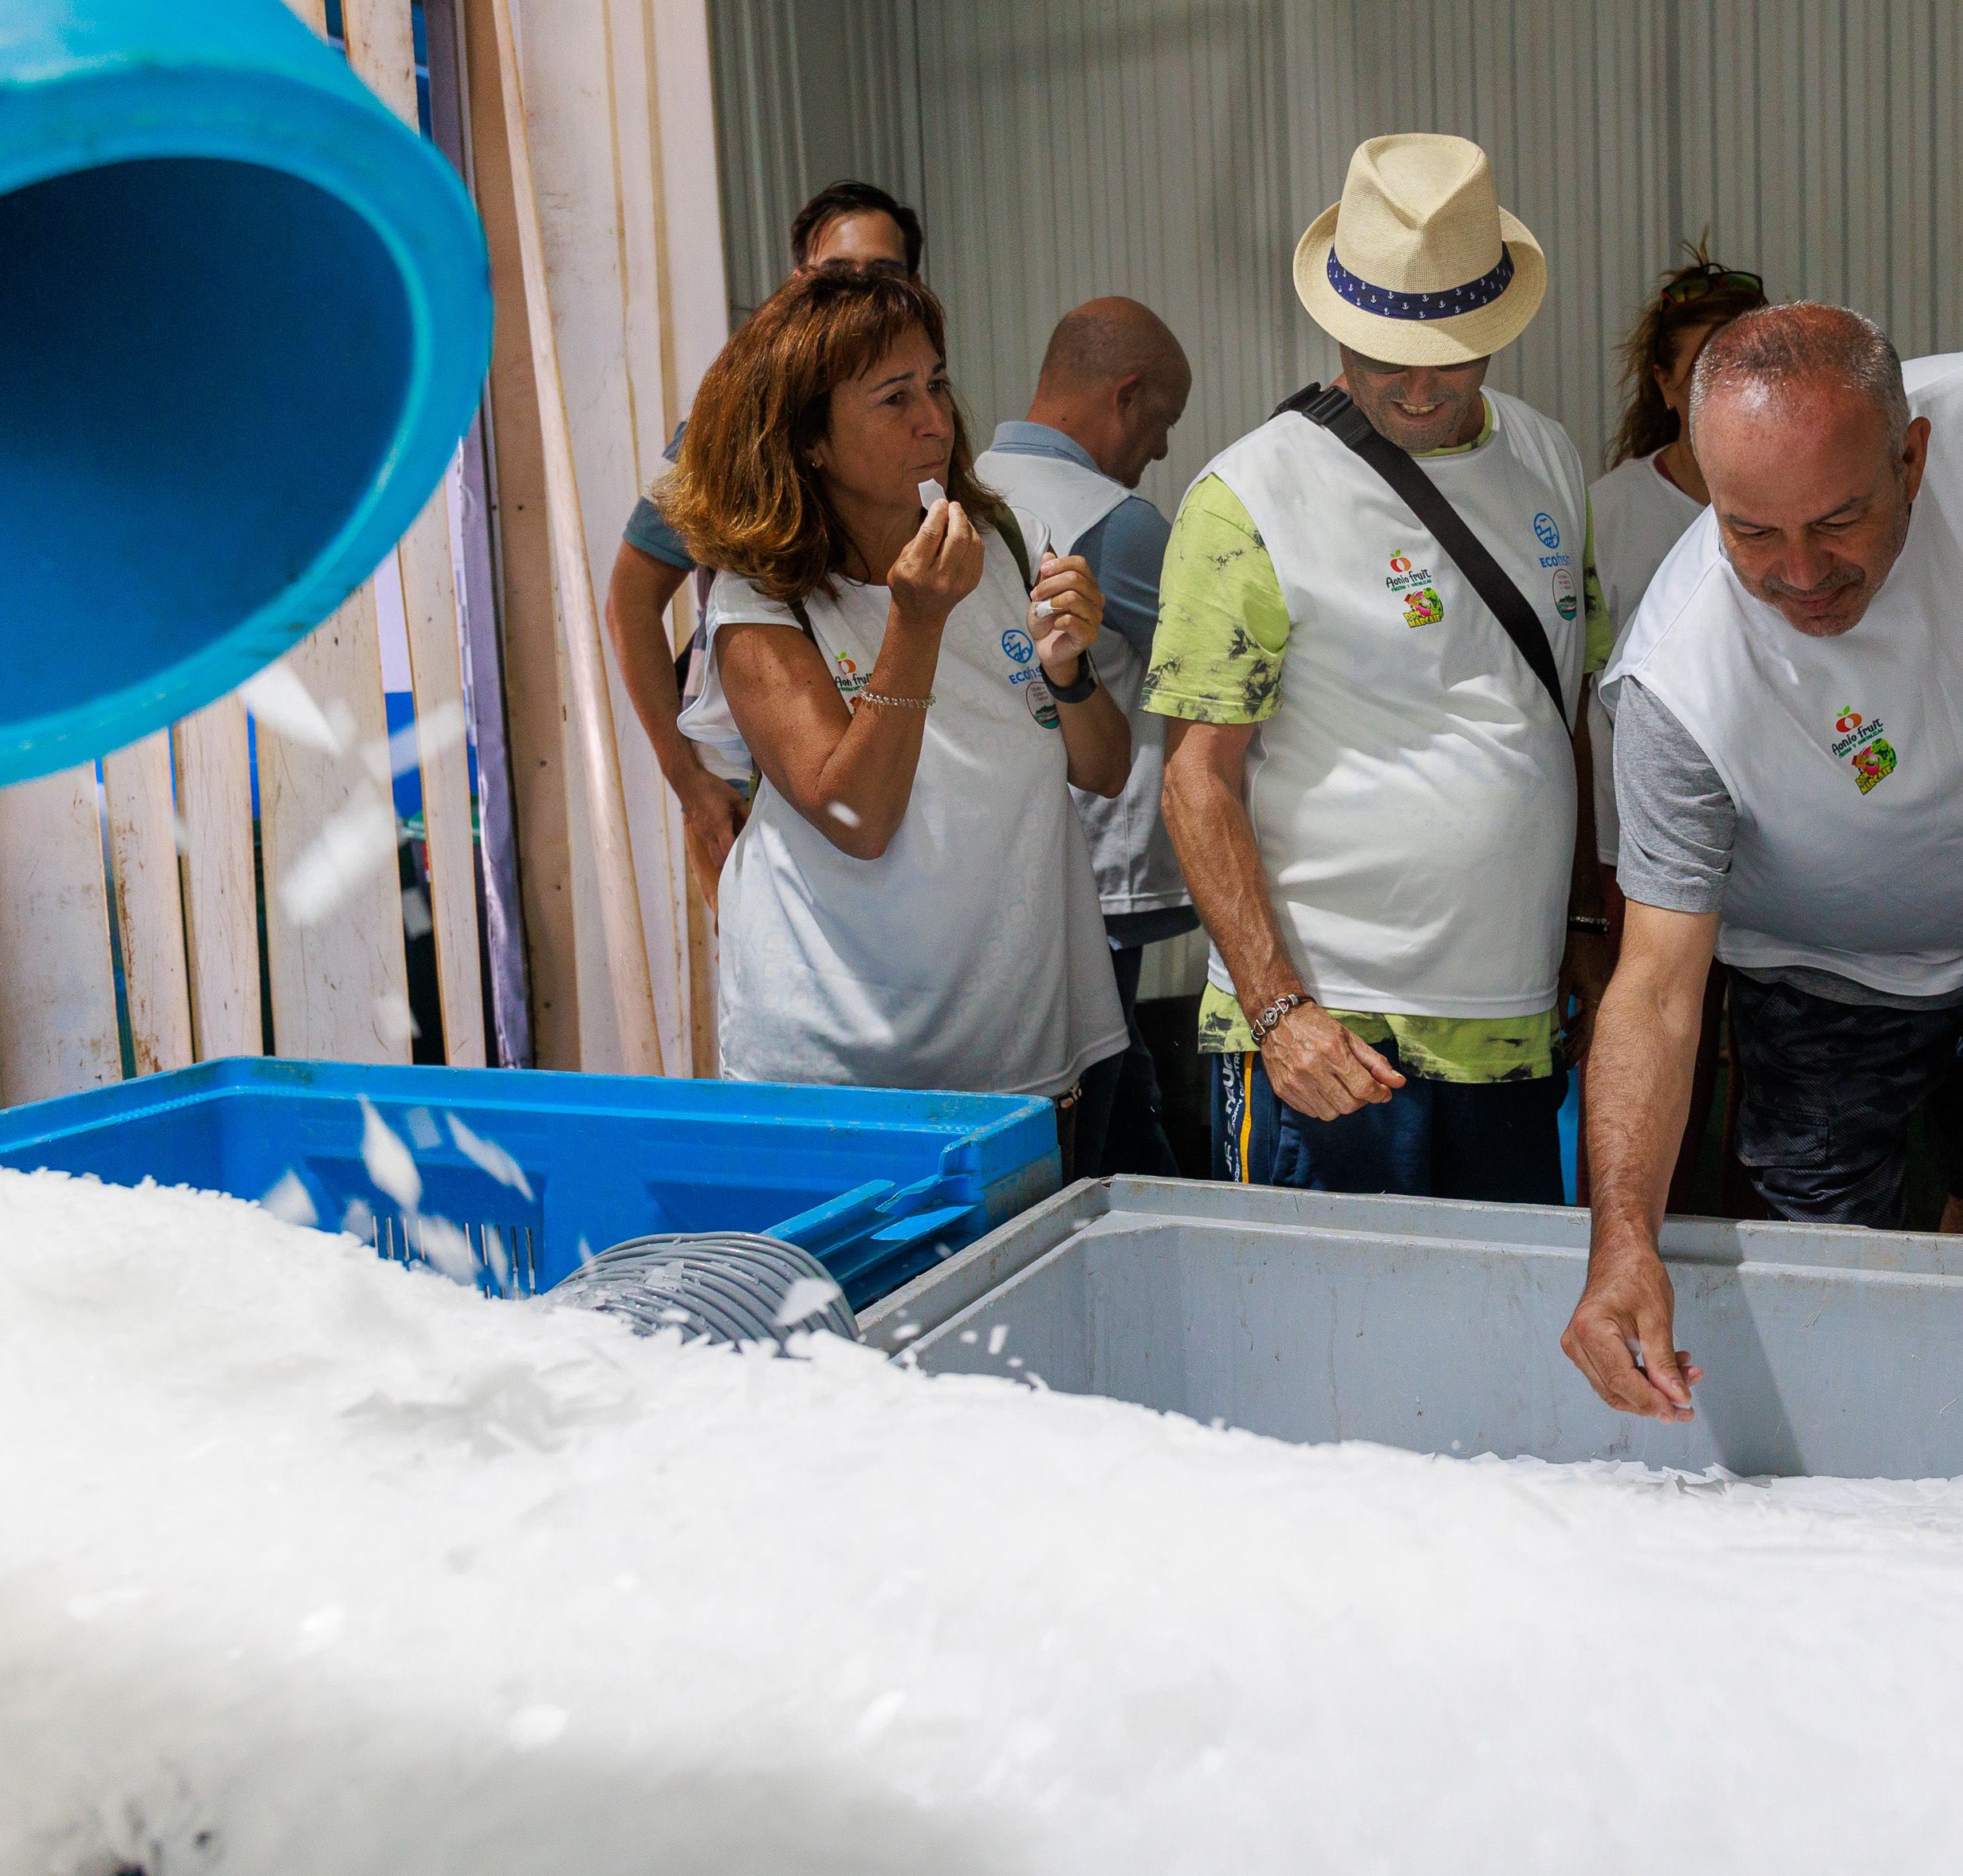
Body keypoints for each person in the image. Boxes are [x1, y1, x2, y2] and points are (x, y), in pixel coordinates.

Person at [1560, 305, 1963, 1420]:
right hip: (1822, 997)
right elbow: (1659, 988)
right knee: (1819, 1287)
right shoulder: (1680, 683)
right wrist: (1623, 1242)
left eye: (1842, 517)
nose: (1801, 572)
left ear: (1912, 454)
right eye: (1749, 530)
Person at [1147, 132, 1611, 1204]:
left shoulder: (1549, 458)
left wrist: (1584, 920)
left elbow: (1559, 714)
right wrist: (1276, 1012)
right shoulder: (1249, 495)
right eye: (1381, 349)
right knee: (1319, 1354)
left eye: (1449, 348)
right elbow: (1194, 778)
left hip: (1514, 1020)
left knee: (1497, 1342)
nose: (1414, 384)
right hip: (1336, 1034)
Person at [646, 262, 1131, 1138]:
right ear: (809, 443)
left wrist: (1070, 669)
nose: (935, 420)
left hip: (1027, 1044)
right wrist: (916, 622)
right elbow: (855, 814)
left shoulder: (993, 542)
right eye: (894, 397)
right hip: (845, 1069)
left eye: (937, 384)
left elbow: (1102, 768)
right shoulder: (759, 604)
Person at [604, 181, 928, 907]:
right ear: (798, 286)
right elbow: (630, 602)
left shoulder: (920, 421)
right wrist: (692, 786)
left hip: (901, 770)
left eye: (885, 277)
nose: (861, 298)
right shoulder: (725, 430)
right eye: (838, 277)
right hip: (772, 790)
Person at [974, 299, 1196, 1174]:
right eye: (1163, 422)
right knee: (1103, 1106)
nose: (1163, 450)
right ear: (1126, 395)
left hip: (996, 869)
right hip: (1099, 875)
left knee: (1104, 1095)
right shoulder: (1112, 521)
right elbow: (1221, 670)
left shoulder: (966, 494)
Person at [1588, 251, 1769, 872]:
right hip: (1645, 852)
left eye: (1750, 368)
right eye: (1703, 374)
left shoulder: (1807, 497)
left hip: (1779, 845)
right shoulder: (1608, 513)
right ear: (1665, 385)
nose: (1732, 394)